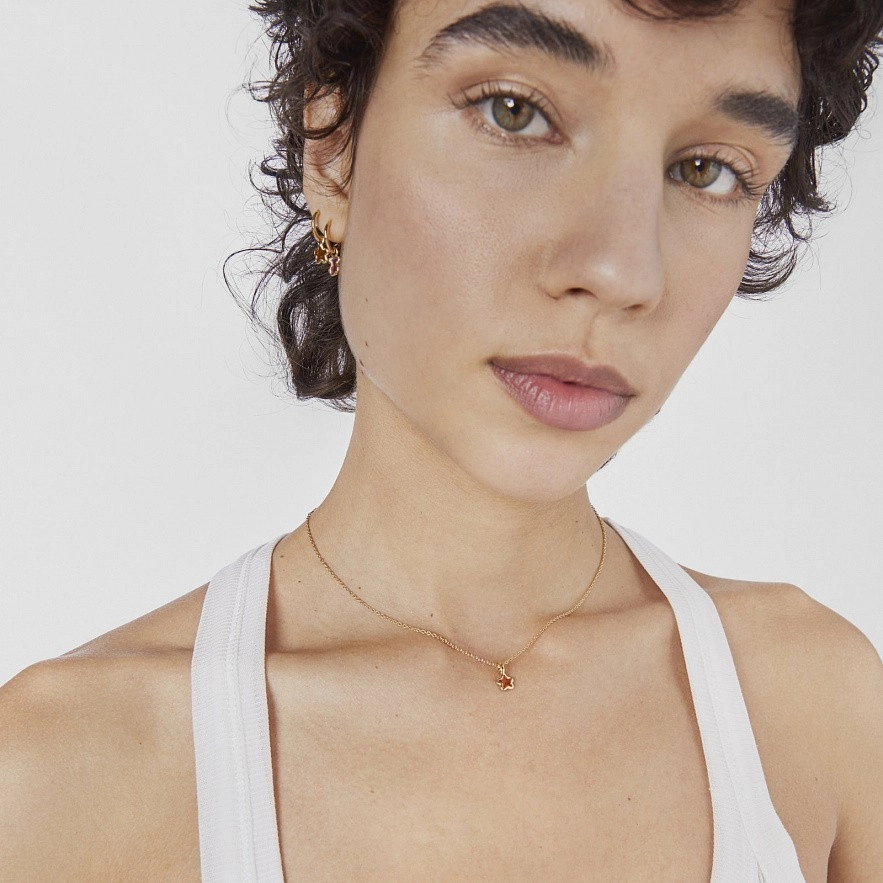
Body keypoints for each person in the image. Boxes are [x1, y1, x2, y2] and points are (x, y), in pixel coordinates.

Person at [2, 0, 882, 878]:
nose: (622, 270)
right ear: (333, 148)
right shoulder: (60, 775)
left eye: (706, 169)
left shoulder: (813, 704)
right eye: (515, 112)